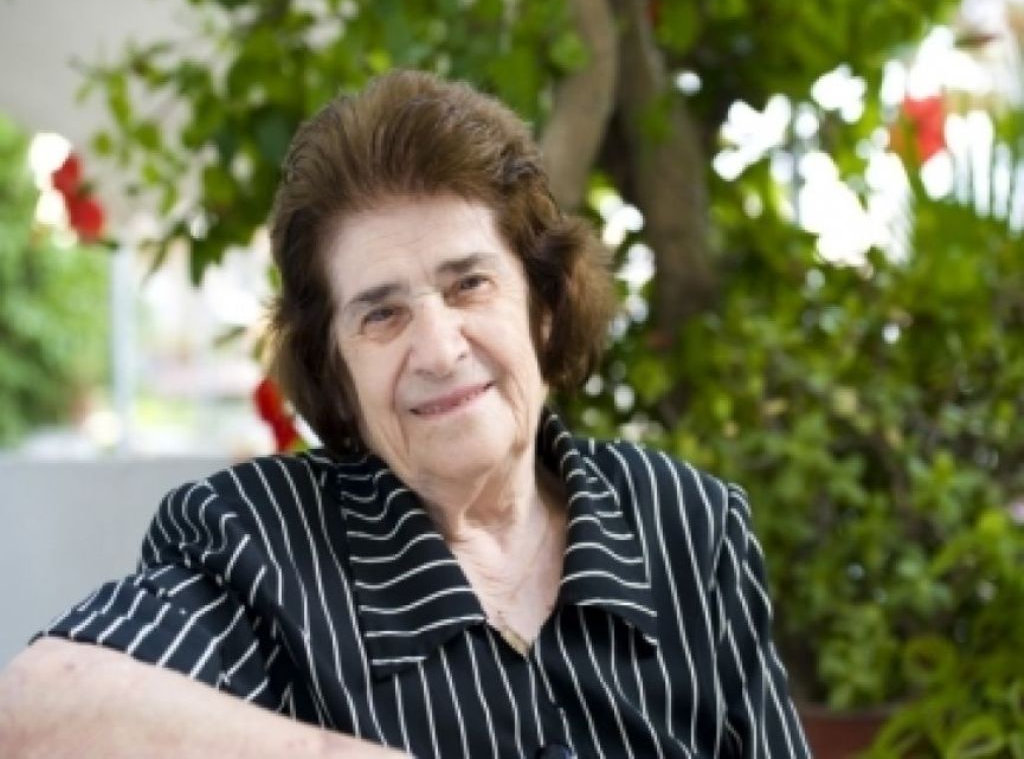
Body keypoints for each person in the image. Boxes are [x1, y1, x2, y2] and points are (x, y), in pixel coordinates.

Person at [0, 70, 809, 758]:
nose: (439, 349)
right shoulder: (261, 544)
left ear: (543, 306)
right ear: (336, 368)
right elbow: (36, 711)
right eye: (381, 314)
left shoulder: (687, 524)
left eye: (469, 285)